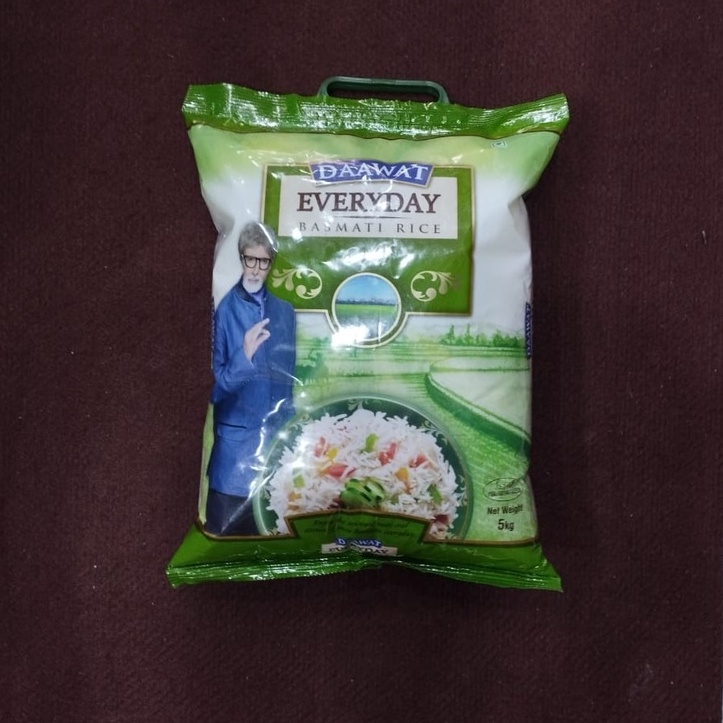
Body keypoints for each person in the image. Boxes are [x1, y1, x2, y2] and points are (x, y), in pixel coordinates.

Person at [204, 222, 296, 535]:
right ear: (241, 257)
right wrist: (243, 356)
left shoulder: (285, 312)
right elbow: (213, 390)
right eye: (250, 259)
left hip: (277, 458)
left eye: (263, 261)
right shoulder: (223, 310)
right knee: (226, 542)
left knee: (273, 542)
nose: (255, 269)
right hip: (234, 463)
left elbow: (288, 382)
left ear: (272, 262)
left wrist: (291, 435)